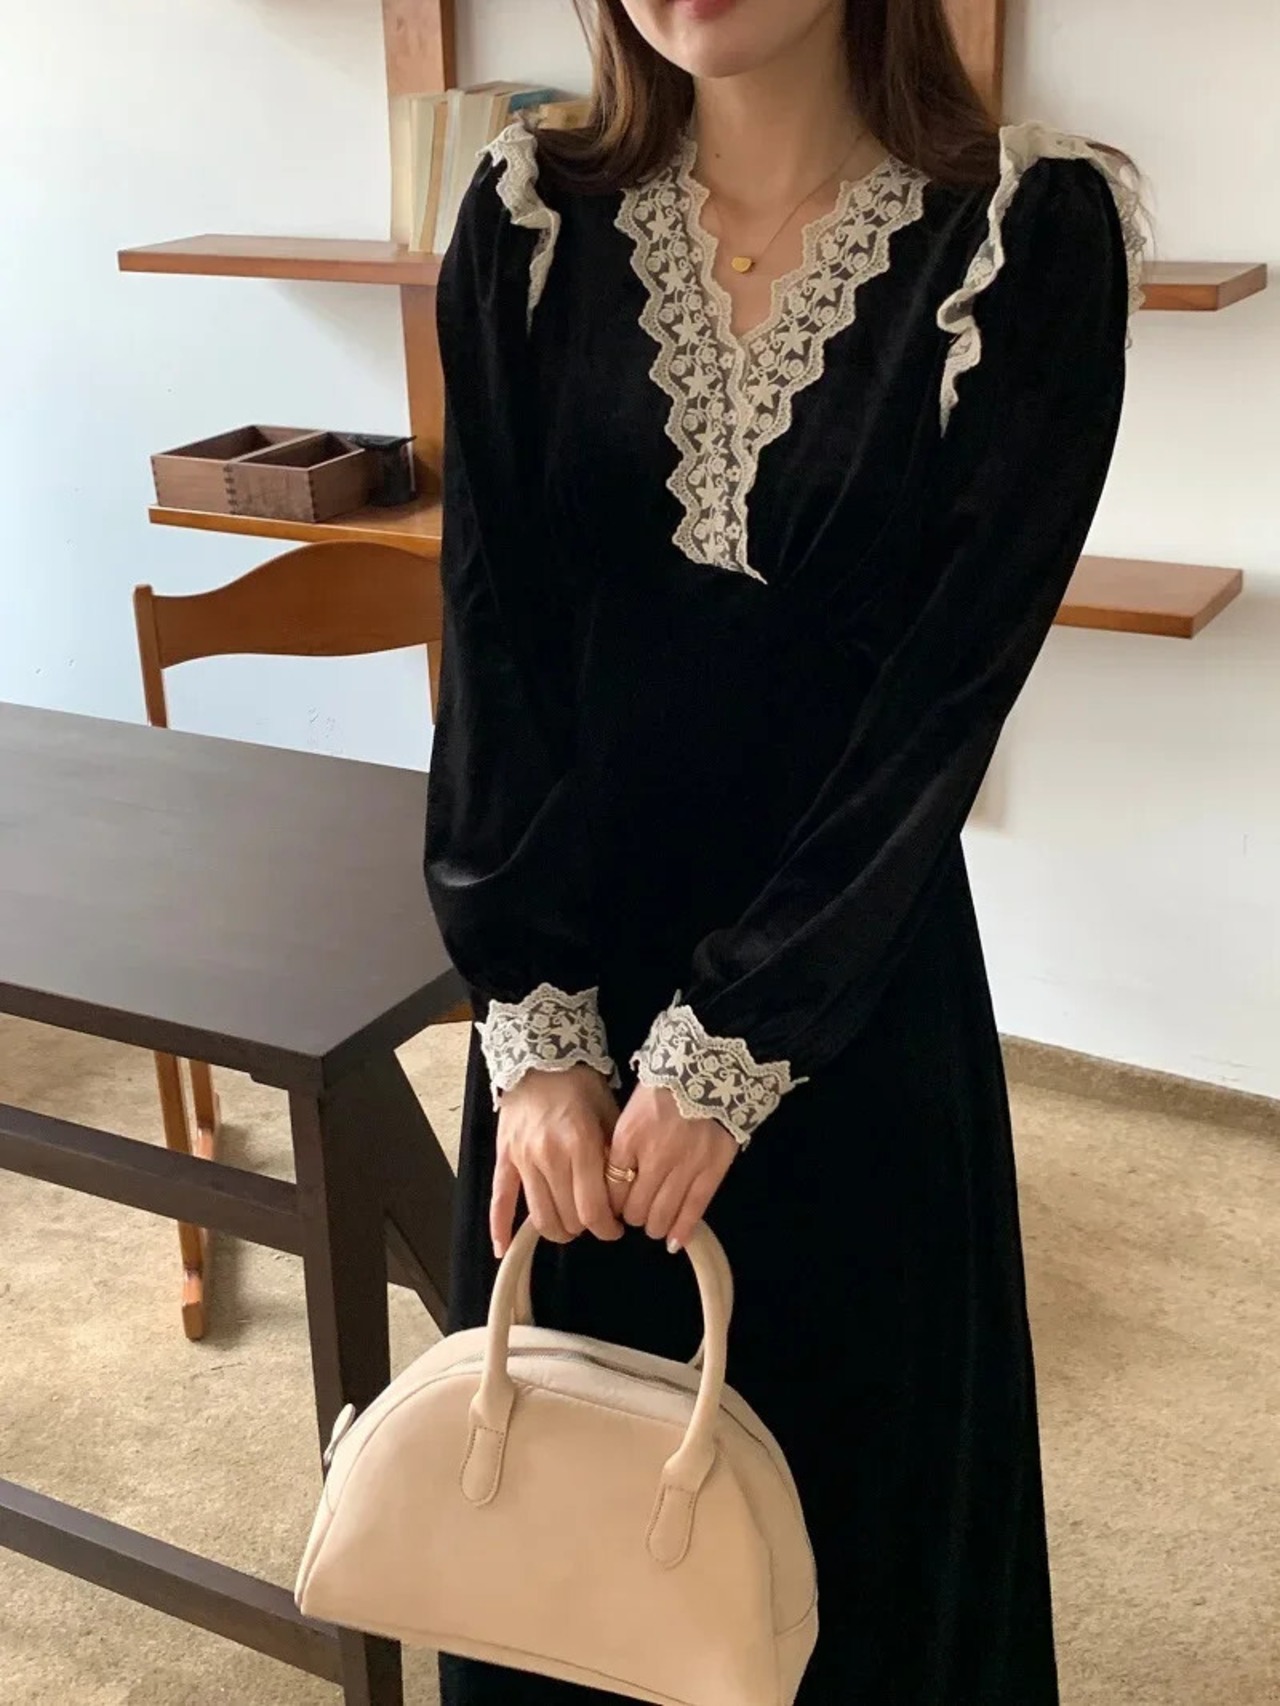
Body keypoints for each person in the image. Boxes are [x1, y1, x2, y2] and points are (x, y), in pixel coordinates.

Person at [424, 1, 1143, 1700]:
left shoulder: (1028, 236)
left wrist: (740, 1041)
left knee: (855, 1555)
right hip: (571, 1007)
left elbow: (940, 706)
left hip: (852, 1002)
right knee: (555, 1542)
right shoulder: (524, 219)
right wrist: (534, 1028)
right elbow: (492, 650)